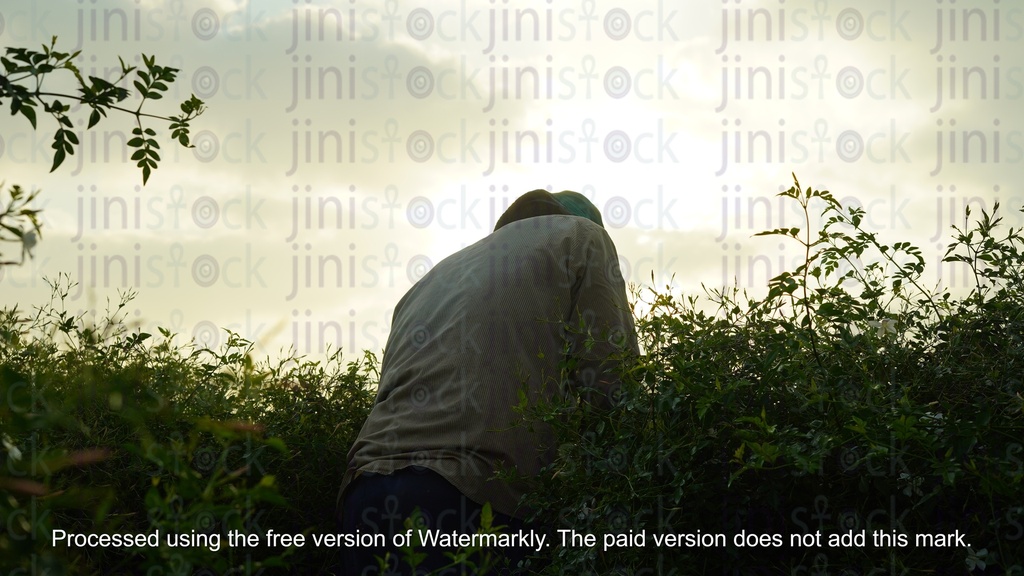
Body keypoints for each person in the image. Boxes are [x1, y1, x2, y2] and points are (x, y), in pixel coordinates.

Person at [337, 189, 638, 575]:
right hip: (469, 499)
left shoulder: (431, 278)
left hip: (365, 493)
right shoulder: (581, 237)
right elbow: (612, 382)